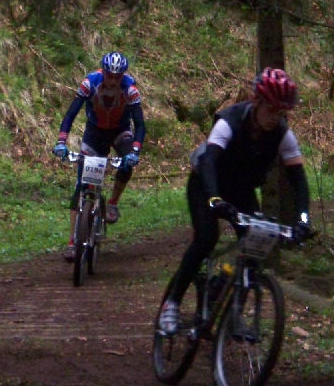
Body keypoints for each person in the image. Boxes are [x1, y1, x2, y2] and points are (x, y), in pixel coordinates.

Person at [158, 68, 313, 334]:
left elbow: (299, 179)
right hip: (207, 183)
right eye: (271, 111)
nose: (275, 119)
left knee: (257, 242)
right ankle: (171, 304)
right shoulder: (229, 121)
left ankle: (232, 310)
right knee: (206, 239)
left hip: (241, 189)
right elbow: (209, 160)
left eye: (281, 113)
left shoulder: (283, 134)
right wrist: (214, 199)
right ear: (257, 102)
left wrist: (303, 219)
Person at [52, 52, 146, 262]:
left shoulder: (130, 89)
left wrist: (136, 151)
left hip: (120, 131)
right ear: (103, 72)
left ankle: (112, 202)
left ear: (123, 75)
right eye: (109, 75)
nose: (112, 80)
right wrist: (61, 142)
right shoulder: (89, 83)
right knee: (81, 184)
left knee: (126, 163)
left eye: (117, 76)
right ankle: (71, 242)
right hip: (95, 132)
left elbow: (140, 125)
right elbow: (70, 115)